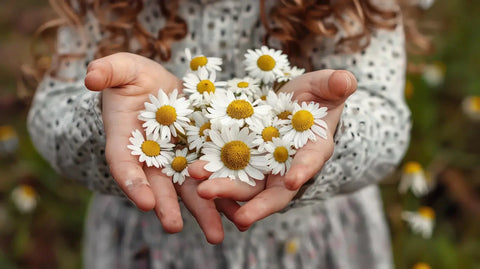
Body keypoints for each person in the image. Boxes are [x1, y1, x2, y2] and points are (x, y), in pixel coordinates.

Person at [27, 0, 413, 268]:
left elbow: (387, 123)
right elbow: (50, 116)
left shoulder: (348, 8)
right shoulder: (103, 7)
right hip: (148, 243)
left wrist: (325, 132)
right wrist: (108, 120)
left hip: (312, 243)